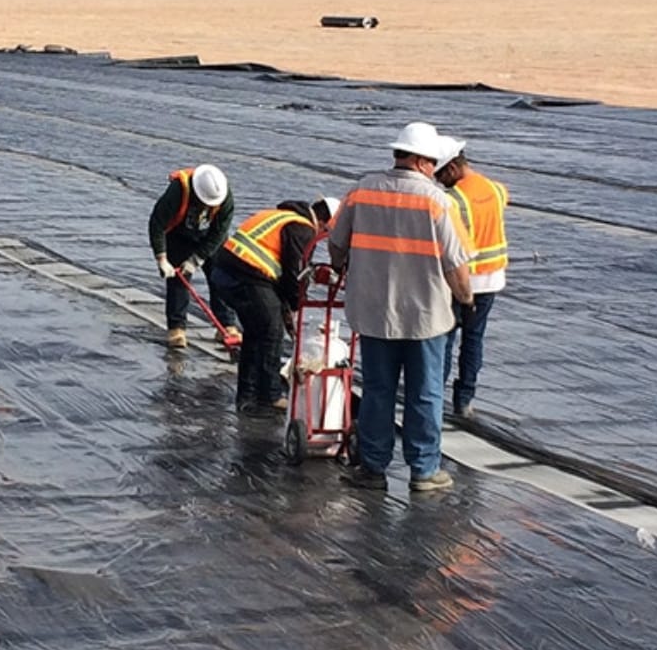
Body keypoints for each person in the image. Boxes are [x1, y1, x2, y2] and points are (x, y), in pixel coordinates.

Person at [329, 122, 474, 492]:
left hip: (374, 312)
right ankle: (424, 470)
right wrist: (466, 299)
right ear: (426, 162)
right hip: (424, 316)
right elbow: (456, 263)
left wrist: (343, 266)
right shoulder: (436, 200)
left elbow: (336, 242)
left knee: (378, 390)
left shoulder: (361, 191)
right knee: (424, 392)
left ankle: (373, 468)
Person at [208, 198, 334, 414]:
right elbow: (294, 274)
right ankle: (270, 396)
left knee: (256, 333)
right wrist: (295, 307)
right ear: (323, 223)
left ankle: (247, 397)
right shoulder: (303, 229)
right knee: (271, 331)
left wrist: (288, 306)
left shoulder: (282, 216)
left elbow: (282, 274)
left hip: (226, 272)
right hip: (246, 275)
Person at [435, 140, 509, 419]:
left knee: (444, 340)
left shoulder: (454, 199)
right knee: (474, 341)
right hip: (491, 281)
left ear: (453, 168)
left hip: (462, 281)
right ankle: (464, 401)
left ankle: (434, 397)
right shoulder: (497, 189)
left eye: (441, 175)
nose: (440, 183)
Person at [148, 164, 237, 349]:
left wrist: (197, 259)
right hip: (180, 235)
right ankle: (177, 328)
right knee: (179, 282)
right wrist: (162, 258)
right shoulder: (179, 190)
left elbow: (220, 232)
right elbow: (157, 223)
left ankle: (226, 325)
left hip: (210, 237)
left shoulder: (225, 197)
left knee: (220, 278)